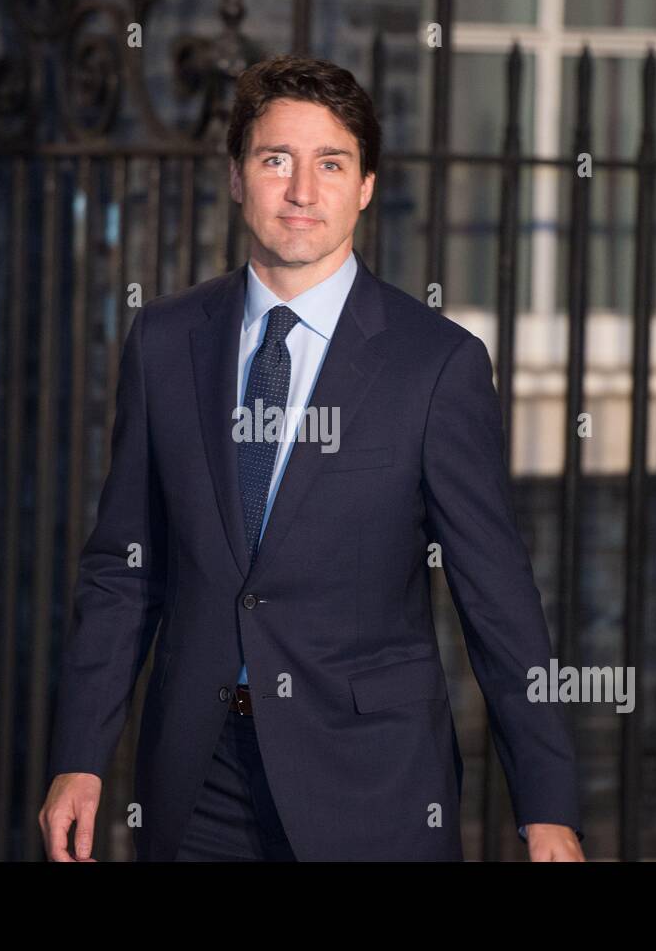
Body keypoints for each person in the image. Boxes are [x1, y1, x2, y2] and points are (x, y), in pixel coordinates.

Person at [39, 53, 585, 862]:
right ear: (236, 177)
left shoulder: (436, 366)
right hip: (198, 784)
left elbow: (496, 595)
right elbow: (124, 570)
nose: (302, 191)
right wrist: (80, 755)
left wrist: (548, 809)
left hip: (373, 786)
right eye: (275, 160)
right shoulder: (163, 342)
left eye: (331, 163)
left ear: (365, 186)